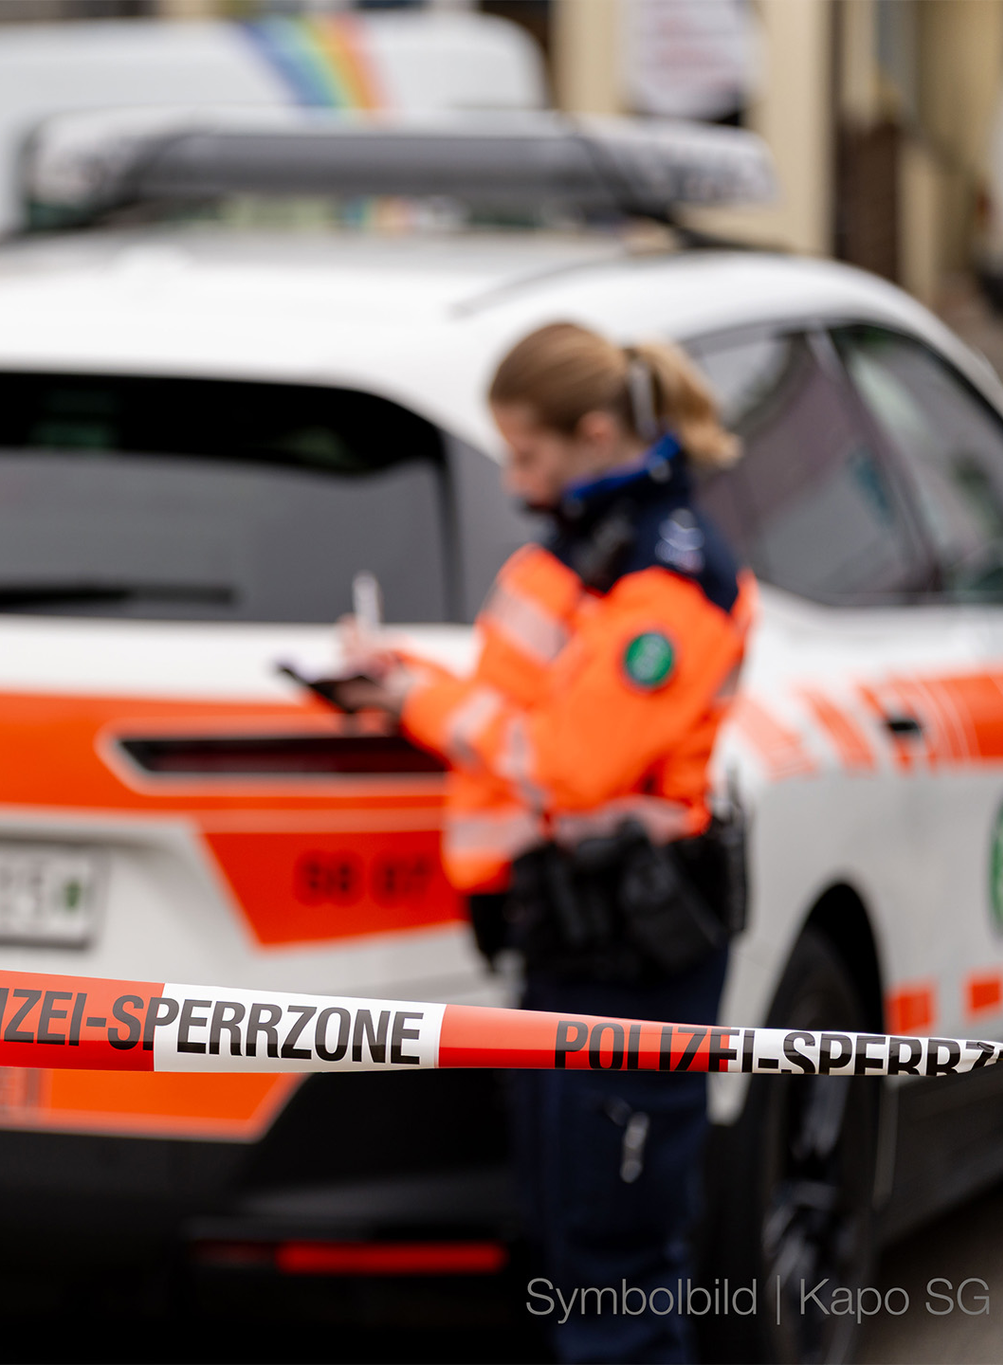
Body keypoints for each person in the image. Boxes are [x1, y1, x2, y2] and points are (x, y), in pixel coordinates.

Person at [338, 322, 752, 1363]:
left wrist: (410, 699)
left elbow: (569, 762)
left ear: (596, 431)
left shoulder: (666, 575)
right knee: (572, 1242)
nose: (513, 476)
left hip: (632, 949)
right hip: (571, 936)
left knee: (613, 1261)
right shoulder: (587, 544)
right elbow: (518, 701)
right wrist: (402, 682)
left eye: (524, 452)